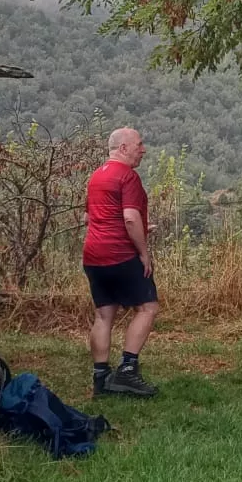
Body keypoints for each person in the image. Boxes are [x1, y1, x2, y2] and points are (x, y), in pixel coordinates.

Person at [82, 127, 160, 398]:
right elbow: (129, 217)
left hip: (93, 256)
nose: (143, 149)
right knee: (148, 307)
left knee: (104, 314)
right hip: (121, 255)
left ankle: (101, 378)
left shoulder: (97, 176)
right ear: (123, 148)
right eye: (139, 144)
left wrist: (137, 227)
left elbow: (88, 218)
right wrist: (143, 252)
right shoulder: (128, 176)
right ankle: (127, 370)